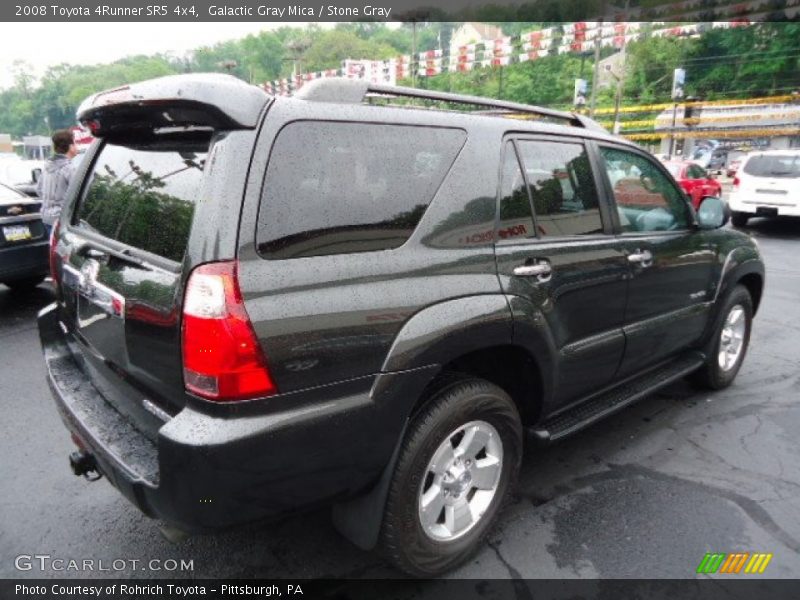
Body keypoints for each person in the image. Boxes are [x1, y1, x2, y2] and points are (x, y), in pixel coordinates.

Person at [37, 129, 78, 233]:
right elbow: (78, 195)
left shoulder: (47, 167)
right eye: (75, 143)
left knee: (52, 243)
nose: (77, 146)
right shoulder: (69, 169)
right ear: (70, 146)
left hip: (46, 218)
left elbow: (38, 190)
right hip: (62, 220)